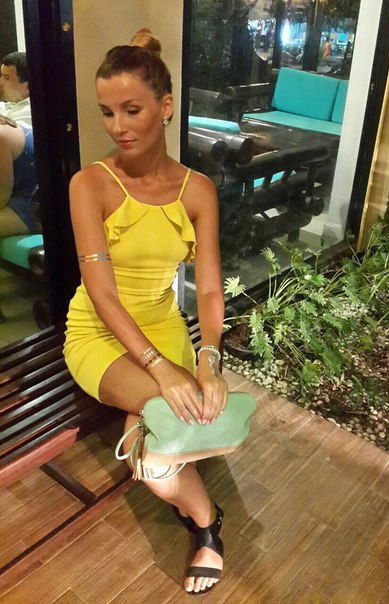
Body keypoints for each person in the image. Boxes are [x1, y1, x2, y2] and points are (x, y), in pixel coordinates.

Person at [63, 28, 228, 595]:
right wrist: (160, 367)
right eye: (107, 113)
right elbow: (102, 295)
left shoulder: (197, 190)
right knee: (162, 441)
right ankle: (208, 523)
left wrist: (208, 359)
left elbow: (209, 291)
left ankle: (191, 490)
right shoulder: (90, 184)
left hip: (162, 325)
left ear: (165, 106)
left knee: (155, 461)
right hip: (99, 333)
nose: (117, 126)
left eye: (131, 110)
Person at [0, 52, 37, 237]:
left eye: (7, 77)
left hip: (28, 201)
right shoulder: (6, 107)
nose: (1, 82)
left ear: (28, 86)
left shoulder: (32, 114)